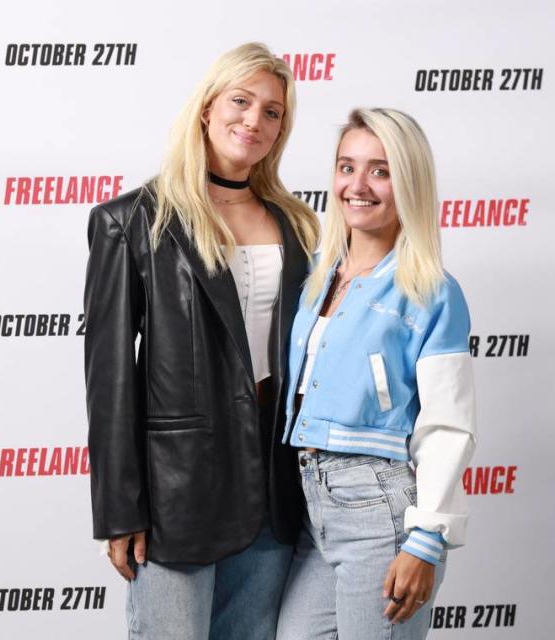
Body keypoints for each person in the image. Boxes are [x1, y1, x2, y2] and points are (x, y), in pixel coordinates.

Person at [83, 42, 319, 639]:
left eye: (273, 112)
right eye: (242, 101)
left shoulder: (295, 222)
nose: (255, 120)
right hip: (176, 494)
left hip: (274, 484)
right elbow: (109, 380)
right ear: (208, 108)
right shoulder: (132, 219)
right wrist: (119, 510)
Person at [276, 108, 477, 640]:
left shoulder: (432, 290)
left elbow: (447, 424)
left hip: (380, 510)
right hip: (312, 506)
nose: (357, 185)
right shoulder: (317, 273)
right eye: (347, 167)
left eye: (380, 171)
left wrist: (426, 539)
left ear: (407, 182)